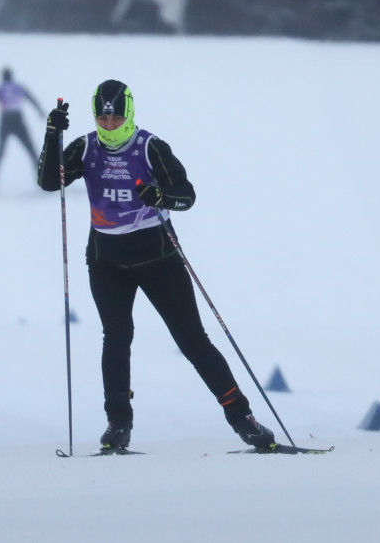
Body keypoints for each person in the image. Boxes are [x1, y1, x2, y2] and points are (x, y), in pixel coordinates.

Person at [38, 79, 276, 453]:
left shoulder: (150, 147)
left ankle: (242, 419)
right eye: (103, 117)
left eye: (116, 118)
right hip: (107, 261)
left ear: (128, 114)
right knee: (116, 338)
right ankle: (118, 425)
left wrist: (159, 195)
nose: (109, 125)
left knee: (192, 340)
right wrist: (52, 135)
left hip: (158, 260)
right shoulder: (86, 147)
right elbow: (51, 181)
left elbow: (186, 196)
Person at [0, 67, 45, 191]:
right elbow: (32, 99)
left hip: (5, 120)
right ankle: (44, 180)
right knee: (31, 150)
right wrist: (40, 111)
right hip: (18, 119)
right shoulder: (19, 87)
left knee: (0, 151)